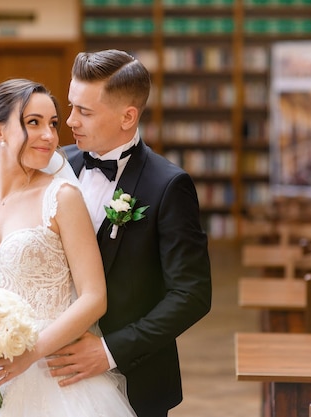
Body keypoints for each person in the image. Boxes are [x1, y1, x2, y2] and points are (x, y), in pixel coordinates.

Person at [0, 78, 137, 416]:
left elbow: (94, 297)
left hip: (53, 372)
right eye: (34, 123)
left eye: (53, 124)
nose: (49, 135)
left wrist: (29, 355)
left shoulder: (62, 197)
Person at [47, 49, 213, 417]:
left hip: (134, 376)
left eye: (84, 111)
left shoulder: (169, 185)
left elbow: (192, 294)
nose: (70, 120)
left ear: (128, 116)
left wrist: (109, 351)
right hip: (48, 372)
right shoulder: (54, 165)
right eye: (71, 106)